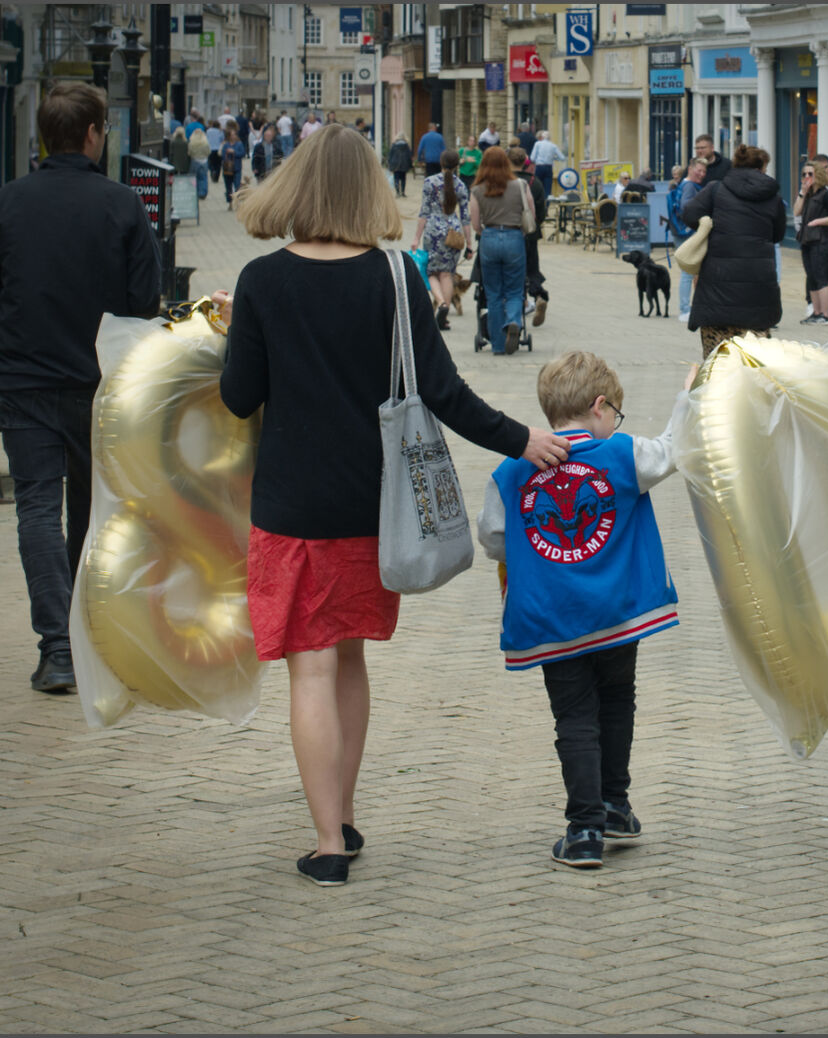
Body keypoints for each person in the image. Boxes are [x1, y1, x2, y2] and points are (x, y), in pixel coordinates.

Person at [217, 123, 569, 887]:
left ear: (297, 187)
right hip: (373, 508)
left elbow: (239, 395)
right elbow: (443, 392)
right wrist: (522, 441)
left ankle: (327, 843)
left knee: (308, 670)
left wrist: (240, 332)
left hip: (291, 508)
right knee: (347, 659)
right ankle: (339, 812)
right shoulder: (394, 276)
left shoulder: (262, 281)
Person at [0, 81, 162, 695]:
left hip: (24, 378)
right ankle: (87, 632)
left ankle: (57, 649)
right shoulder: (123, 205)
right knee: (93, 508)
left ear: (45, 135)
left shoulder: (11, 202)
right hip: (97, 381)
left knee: (37, 509)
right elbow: (143, 302)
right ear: (95, 134)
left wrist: (19, 317)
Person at [477, 351, 688, 868]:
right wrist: (690, 396)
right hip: (618, 614)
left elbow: (494, 538)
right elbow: (673, 449)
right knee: (618, 703)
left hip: (554, 620)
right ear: (600, 407)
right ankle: (614, 804)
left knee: (574, 717)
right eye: (617, 411)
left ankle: (585, 829)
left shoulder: (510, 470)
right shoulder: (620, 454)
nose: (617, 421)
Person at [681, 143, 786, 358]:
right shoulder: (773, 198)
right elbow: (778, 235)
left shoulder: (716, 190)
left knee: (717, 365)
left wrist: (709, 223)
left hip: (716, 292)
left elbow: (689, 213)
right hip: (758, 292)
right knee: (754, 366)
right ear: (761, 167)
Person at [470, 145, 534, 355]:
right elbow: (531, 213)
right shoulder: (520, 185)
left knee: (494, 293)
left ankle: (498, 344)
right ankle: (514, 321)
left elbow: (475, 223)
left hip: (489, 238)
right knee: (514, 290)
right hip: (514, 237)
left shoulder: (478, 189)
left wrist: (485, 231)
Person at [413, 149, 472, 331]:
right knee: (447, 273)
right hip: (452, 232)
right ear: (457, 165)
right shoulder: (461, 186)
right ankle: (444, 318)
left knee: (431, 272)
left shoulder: (430, 183)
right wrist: (469, 244)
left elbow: (424, 212)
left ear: (440, 162)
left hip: (433, 230)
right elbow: (465, 218)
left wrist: (416, 237)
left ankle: (441, 304)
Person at [509, 146, 550, 327]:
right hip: (531, 232)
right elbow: (541, 209)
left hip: (510, 231)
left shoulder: (506, 181)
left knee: (516, 270)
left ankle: (523, 301)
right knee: (531, 268)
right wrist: (535, 224)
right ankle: (539, 295)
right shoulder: (535, 182)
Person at [794, 162, 828, 325]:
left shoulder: (825, 194)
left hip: (820, 239)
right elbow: (796, 211)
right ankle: (816, 311)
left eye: (810, 174)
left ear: (818, 175)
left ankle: (825, 314)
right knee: (811, 276)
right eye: (804, 174)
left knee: (821, 275)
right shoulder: (807, 194)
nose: (806, 177)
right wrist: (802, 193)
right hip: (806, 239)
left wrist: (817, 221)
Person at [670, 157, 706, 321]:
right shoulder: (690, 186)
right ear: (690, 169)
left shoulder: (684, 184)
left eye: (704, 171)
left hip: (680, 232)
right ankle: (685, 310)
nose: (702, 174)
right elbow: (686, 207)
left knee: (687, 272)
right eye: (699, 170)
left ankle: (687, 308)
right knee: (687, 273)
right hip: (687, 232)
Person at [529, 130, 566, 197]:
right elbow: (562, 158)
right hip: (549, 167)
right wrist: (554, 158)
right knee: (548, 188)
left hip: (539, 167)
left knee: (538, 186)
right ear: (549, 138)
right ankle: (546, 204)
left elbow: (532, 158)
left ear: (542, 137)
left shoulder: (538, 144)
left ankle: (538, 203)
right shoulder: (553, 146)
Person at [187, 127, 211, 199]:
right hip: (204, 161)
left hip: (195, 161)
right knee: (203, 178)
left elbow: (189, 153)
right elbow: (208, 152)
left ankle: (195, 192)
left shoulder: (191, 143)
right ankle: (203, 193)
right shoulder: (205, 143)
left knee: (194, 178)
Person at [386, 132, 413, 196]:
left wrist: (389, 163)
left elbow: (390, 155)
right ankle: (403, 192)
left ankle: (397, 192)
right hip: (404, 164)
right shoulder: (406, 146)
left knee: (396, 178)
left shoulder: (394, 145)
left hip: (395, 164)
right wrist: (410, 164)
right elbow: (409, 156)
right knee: (403, 178)